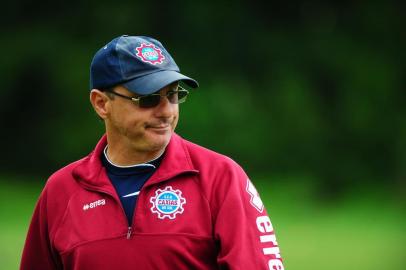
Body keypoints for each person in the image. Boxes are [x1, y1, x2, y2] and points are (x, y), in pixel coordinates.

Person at [20, 35, 284, 270]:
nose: (167, 111)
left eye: (173, 95)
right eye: (147, 99)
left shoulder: (220, 177)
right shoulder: (60, 191)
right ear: (101, 103)